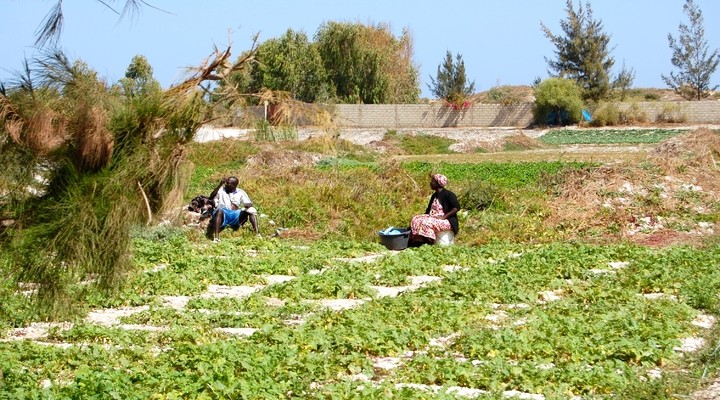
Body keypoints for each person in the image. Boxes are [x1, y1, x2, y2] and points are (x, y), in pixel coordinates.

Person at [409, 174, 460, 245]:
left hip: (447, 220)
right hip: (434, 217)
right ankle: (419, 240)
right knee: (415, 219)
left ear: (438, 183)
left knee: (426, 223)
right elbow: (428, 210)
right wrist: (423, 217)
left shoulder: (449, 194)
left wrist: (444, 217)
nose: (430, 183)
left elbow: (456, 208)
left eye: (432, 181)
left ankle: (430, 241)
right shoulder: (434, 195)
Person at [207, 176, 260, 242]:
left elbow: (249, 203)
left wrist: (246, 205)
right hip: (224, 214)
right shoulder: (221, 190)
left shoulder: (240, 192)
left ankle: (257, 233)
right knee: (219, 210)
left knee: (251, 210)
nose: (226, 184)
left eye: (228, 183)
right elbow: (211, 197)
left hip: (235, 215)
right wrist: (220, 184)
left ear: (233, 185)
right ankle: (216, 238)